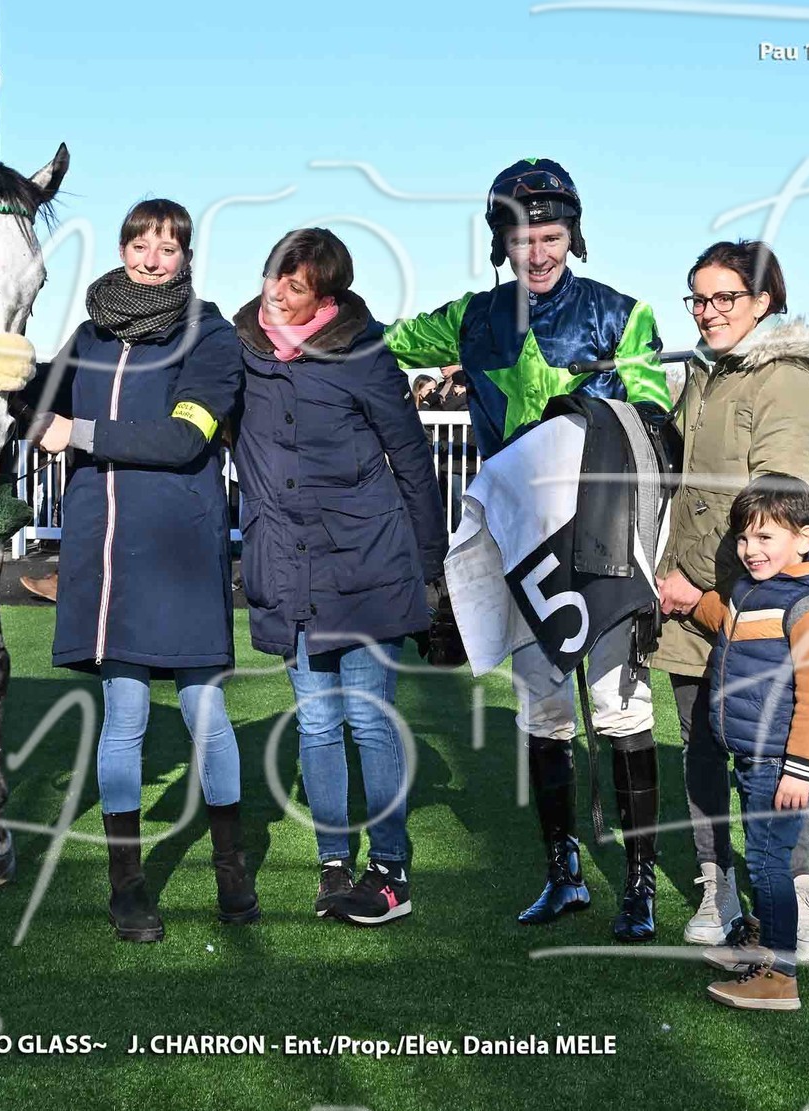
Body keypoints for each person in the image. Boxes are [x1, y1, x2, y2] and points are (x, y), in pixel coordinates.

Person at [384, 158, 671, 941]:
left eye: (550, 236)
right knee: (545, 714)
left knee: (619, 710)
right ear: (501, 243)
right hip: (523, 546)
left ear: (572, 235)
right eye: (522, 239)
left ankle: (640, 885)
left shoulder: (623, 315)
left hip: (604, 540)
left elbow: (655, 423)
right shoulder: (471, 317)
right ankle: (563, 873)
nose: (537, 253)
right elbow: (380, 342)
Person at [29, 198, 256, 943]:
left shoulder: (211, 334)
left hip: (180, 548)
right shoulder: (89, 333)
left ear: (186, 258)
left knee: (204, 711)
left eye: (167, 248)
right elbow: (36, 401)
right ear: (123, 248)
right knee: (123, 715)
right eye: (139, 244)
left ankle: (232, 872)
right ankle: (126, 887)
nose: (151, 259)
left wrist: (79, 432)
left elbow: (184, 439)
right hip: (104, 550)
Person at [231, 228, 445, 925]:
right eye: (274, 276)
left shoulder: (364, 352)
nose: (276, 293)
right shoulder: (240, 348)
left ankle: (391, 868)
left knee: (369, 720)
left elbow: (410, 456)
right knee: (318, 724)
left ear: (326, 295)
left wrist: (431, 564)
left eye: (294, 285)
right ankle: (333, 863)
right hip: (286, 566)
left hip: (367, 565)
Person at [653, 239, 809, 962]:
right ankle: (717, 884)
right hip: (689, 597)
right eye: (698, 298)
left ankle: (795, 898)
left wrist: (710, 589)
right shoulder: (704, 371)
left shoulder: (785, 377)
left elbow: (782, 504)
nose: (708, 311)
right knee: (701, 748)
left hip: (756, 600)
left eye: (725, 297)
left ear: (763, 301)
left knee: (770, 756)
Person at [687, 475, 809, 1011]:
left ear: (805, 539)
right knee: (763, 858)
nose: (750, 549)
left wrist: (798, 772)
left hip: (778, 762)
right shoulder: (751, 589)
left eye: (765, 537)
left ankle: (779, 977)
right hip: (751, 757)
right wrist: (687, 601)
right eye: (743, 538)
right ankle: (763, 947)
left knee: (768, 864)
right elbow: (726, 617)